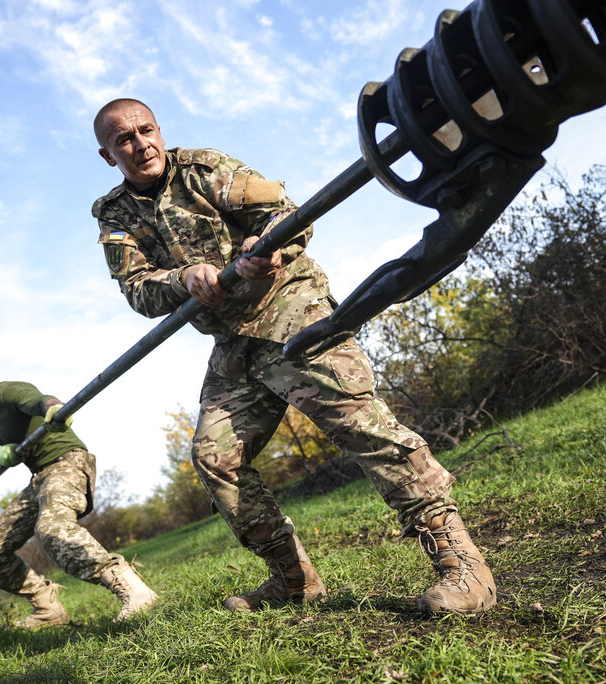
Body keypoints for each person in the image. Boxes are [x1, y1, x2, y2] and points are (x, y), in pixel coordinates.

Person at [90, 99, 496, 615]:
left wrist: (270, 248)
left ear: (159, 130)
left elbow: (287, 214)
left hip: (291, 310)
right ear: (108, 155)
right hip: (234, 343)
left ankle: (463, 565)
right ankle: (293, 579)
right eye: (124, 139)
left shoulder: (204, 170)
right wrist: (181, 279)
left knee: (362, 428)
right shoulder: (115, 216)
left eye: (146, 130)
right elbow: (138, 291)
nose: (140, 143)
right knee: (216, 460)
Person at [0, 360, 158, 627]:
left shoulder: (10, 391)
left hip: (68, 462)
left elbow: (40, 401)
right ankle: (47, 609)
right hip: (39, 478)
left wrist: (55, 408)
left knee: (52, 528)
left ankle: (134, 589)